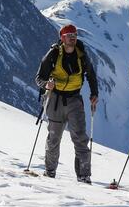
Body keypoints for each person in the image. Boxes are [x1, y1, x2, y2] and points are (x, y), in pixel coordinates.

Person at [35, 24, 99, 183]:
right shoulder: (54, 54)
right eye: (69, 34)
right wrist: (46, 85)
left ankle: (84, 176)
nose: (73, 37)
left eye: (75, 34)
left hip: (74, 99)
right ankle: (50, 173)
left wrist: (94, 93)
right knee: (54, 138)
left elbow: (91, 74)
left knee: (80, 138)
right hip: (55, 99)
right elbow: (39, 78)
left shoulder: (81, 54)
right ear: (62, 38)